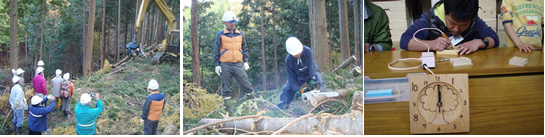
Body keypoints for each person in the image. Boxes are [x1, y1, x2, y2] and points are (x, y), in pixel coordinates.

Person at [400, 0, 499, 55]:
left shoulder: (474, 20)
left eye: (463, 25)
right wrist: (432, 44)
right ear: (444, 12)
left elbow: (494, 39)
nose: (456, 29)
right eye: (452, 23)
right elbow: (405, 40)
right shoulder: (429, 19)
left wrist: (479, 42)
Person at [213, 11, 255, 114]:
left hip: (238, 64)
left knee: (246, 85)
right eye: (230, 22)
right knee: (226, 88)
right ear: (225, 23)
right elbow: (216, 50)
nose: (232, 23)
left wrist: (245, 61)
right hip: (225, 64)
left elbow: (244, 48)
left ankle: (253, 108)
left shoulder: (240, 34)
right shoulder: (220, 34)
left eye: (233, 21)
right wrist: (217, 65)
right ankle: (231, 112)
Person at [276, 37, 327, 110]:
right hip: (298, 77)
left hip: (310, 73)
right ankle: (282, 106)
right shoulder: (288, 60)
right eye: (295, 54)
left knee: (320, 84)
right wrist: (296, 89)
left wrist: (313, 78)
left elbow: (312, 66)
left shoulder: (307, 51)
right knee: (287, 89)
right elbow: (291, 77)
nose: (298, 55)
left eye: (299, 52)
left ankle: (323, 105)